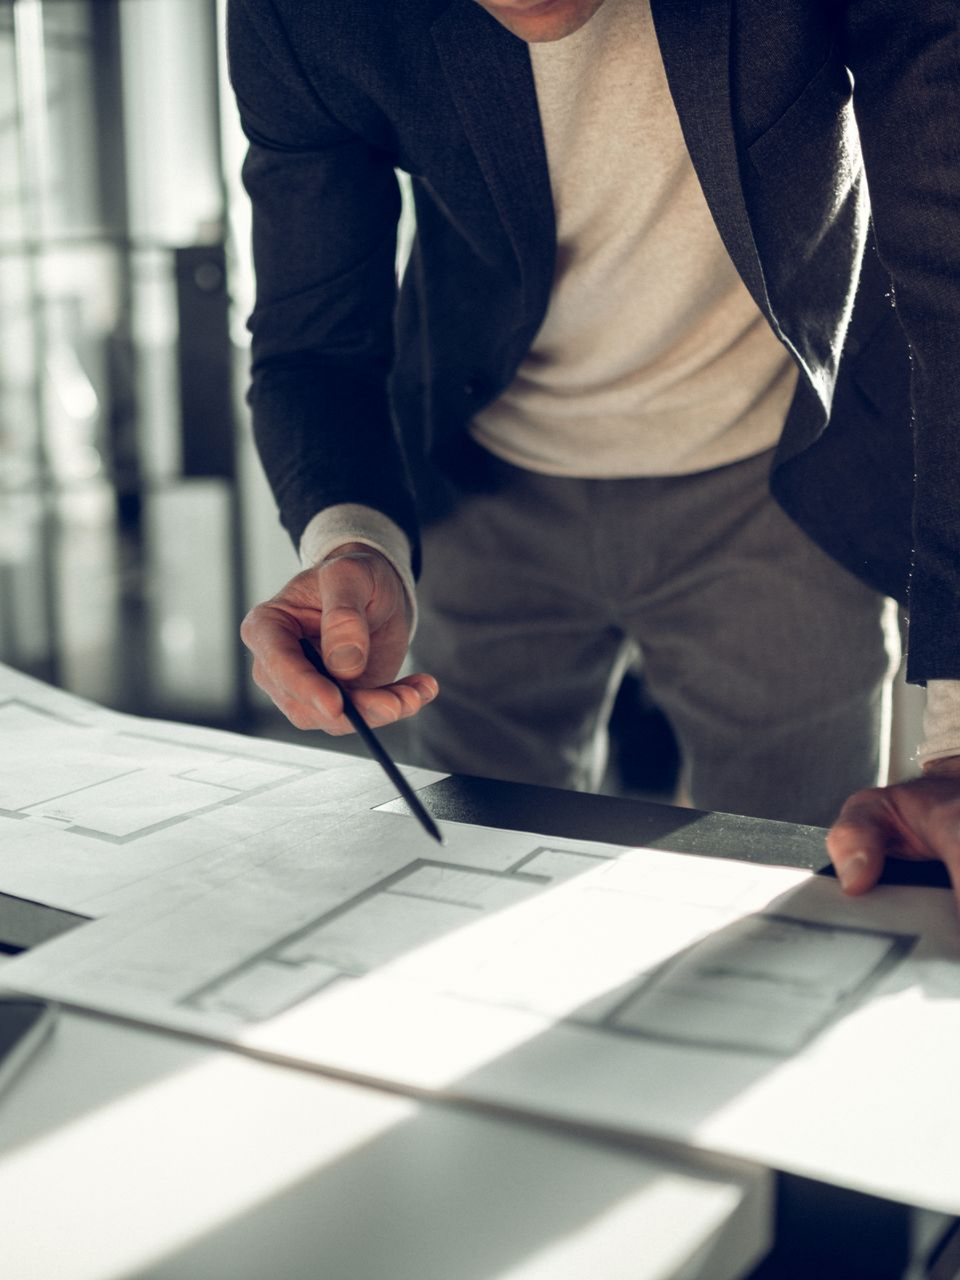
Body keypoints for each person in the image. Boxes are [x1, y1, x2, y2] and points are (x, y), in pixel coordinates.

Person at [227, 0, 960, 907]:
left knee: (808, 894)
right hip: (479, 491)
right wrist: (352, 541)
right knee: (469, 886)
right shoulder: (301, 18)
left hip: (781, 483)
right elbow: (315, 342)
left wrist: (957, 738)